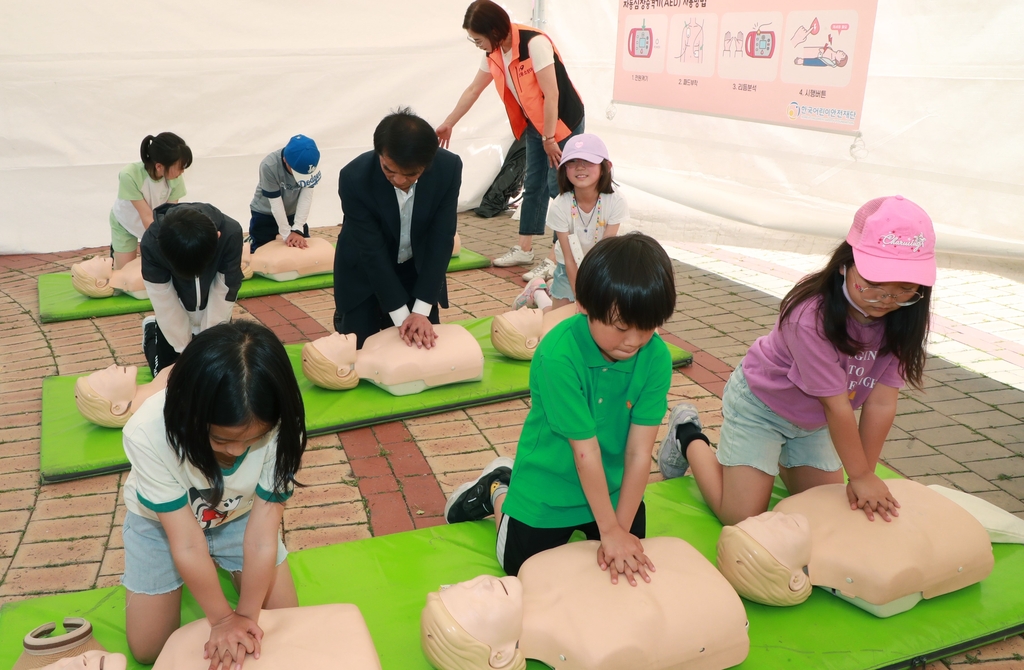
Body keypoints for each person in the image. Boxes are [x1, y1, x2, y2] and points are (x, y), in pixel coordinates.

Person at [659, 195, 936, 526]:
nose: (886, 300)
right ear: (845, 264)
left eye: (904, 288)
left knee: (827, 512)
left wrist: (865, 474)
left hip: (815, 424)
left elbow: (880, 404)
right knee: (741, 517)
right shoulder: (809, 315)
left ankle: (770, 461)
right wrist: (858, 474)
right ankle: (688, 435)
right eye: (874, 283)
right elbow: (837, 407)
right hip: (761, 407)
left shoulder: (904, 319)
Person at [444, 234, 676, 583]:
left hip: (610, 488)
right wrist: (609, 531)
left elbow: (640, 453)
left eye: (647, 327)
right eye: (622, 327)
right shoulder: (558, 356)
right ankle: (498, 488)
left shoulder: (656, 357)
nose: (635, 341)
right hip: (548, 488)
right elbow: (585, 454)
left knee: (626, 561)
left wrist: (619, 529)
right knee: (520, 568)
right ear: (584, 305)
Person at [120, 321, 306, 667]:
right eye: (220, 439)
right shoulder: (147, 432)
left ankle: (214, 575)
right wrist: (221, 620)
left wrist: (246, 618)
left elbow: (263, 538)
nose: (235, 452)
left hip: (240, 518)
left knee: (285, 617)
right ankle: (192, 582)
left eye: (252, 440)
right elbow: (187, 543)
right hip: (161, 528)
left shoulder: (282, 427)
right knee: (148, 649)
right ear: (190, 413)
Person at [436, 0, 585, 269]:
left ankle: (558, 257)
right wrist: (449, 122)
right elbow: (473, 90)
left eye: (477, 39)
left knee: (559, 187)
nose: (477, 44)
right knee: (534, 184)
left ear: (494, 30)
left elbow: (552, 95)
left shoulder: (534, 43)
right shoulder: (494, 53)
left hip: (562, 123)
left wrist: (550, 139)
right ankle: (525, 248)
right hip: (535, 124)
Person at [333, 108, 462, 350]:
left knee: (425, 349)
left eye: (411, 174)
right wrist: (404, 321)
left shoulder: (448, 169)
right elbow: (371, 251)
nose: (400, 181)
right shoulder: (354, 177)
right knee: (359, 351)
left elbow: (441, 239)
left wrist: (420, 312)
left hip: (416, 270)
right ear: (379, 153)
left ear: (428, 162)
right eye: (389, 170)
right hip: (365, 271)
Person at [513, 134, 625, 312]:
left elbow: (605, 255)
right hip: (568, 268)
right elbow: (569, 258)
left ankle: (549, 287)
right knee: (561, 317)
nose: (580, 167)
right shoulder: (560, 205)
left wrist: (594, 292)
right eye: (572, 162)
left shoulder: (615, 201)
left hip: (599, 268)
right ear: (564, 169)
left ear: (606, 167)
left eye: (588, 161)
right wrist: (580, 299)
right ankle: (538, 292)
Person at [141, 202, 244, 376]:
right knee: (168, 377)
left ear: (217, 237)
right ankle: (152, 329)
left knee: (222, 372)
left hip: (212, 305)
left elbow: (224, 289)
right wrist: (184, 349)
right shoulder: (152, 242)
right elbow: (162, 296)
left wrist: (209, 344)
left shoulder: (230, 233)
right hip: (177, 305)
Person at [109, 133, 192, 270]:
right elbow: (146, 215)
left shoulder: (175, 178)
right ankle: (116, 256)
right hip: (125, 222)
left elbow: (168, 214)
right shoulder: (129, 175)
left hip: (154, 222)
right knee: (124, 276)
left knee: (154, 269)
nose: (182, 171)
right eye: (180, 167)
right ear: (159, 166)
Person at [248, 135, 321, 253]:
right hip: (265, 212)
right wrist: (287, 235)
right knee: (262, 251)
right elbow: (275, 204)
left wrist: (297, 229)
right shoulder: (269, 165)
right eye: (297, 172)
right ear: (285, 160)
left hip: (292, 212)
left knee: (302, 248)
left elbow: (306, 198)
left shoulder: (310, 163)